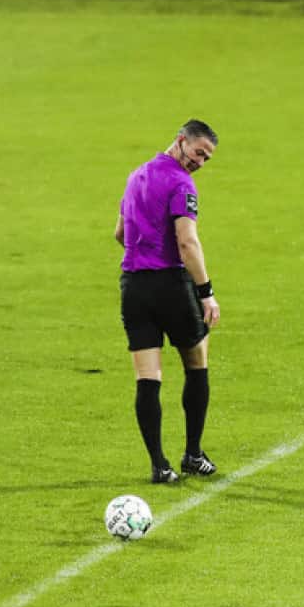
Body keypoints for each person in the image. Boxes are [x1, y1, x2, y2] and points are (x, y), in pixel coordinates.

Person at [115, 120, 222, 483]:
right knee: (197, 361)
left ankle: (159, 465)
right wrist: (206, 292)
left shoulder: (136, 176)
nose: (200, 163)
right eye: (198, 153)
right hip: (170, 285)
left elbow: (119, 233)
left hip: (133, 287)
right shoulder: (180, 182)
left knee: (148, 377)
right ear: (181, 142)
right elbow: (187, 242)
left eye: (207, 158)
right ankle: (192, 453)